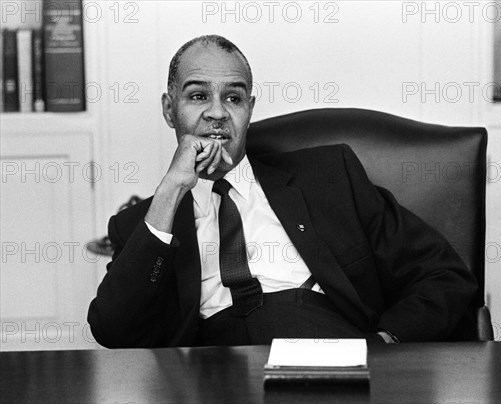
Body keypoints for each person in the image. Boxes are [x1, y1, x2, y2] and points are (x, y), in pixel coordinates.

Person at [88, 35, 477, 348]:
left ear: (250, 109)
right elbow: (113, 330)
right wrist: (171, 192)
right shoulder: (145, 224)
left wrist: (385, 341)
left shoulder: (329, 178)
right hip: (212, 371)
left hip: (325, 347)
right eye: (198, 95)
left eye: (233, 97)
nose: (218, 112)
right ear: (169, 109)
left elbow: (445, 274)